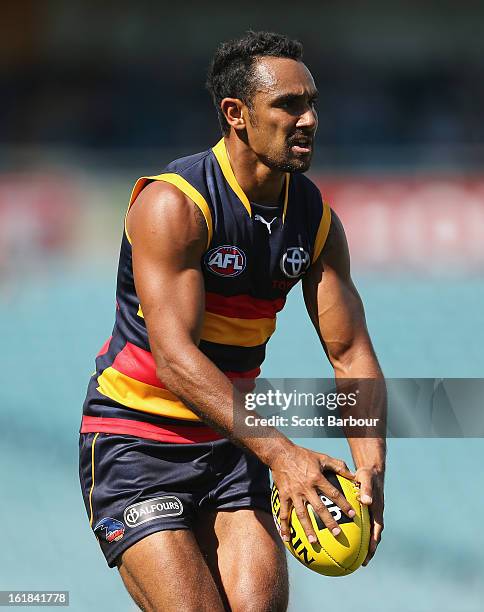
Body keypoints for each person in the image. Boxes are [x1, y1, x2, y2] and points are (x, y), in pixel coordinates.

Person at [79, 30, 385, 612]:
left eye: (312, 102)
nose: (310, 119)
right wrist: (282, 454)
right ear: (236, 114)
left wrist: (370, 469)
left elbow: (350, 355)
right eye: (289, 105)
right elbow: (176, 358)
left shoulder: (316, 220)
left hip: (233, 444)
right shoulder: (175, 204)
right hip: (138, 443)